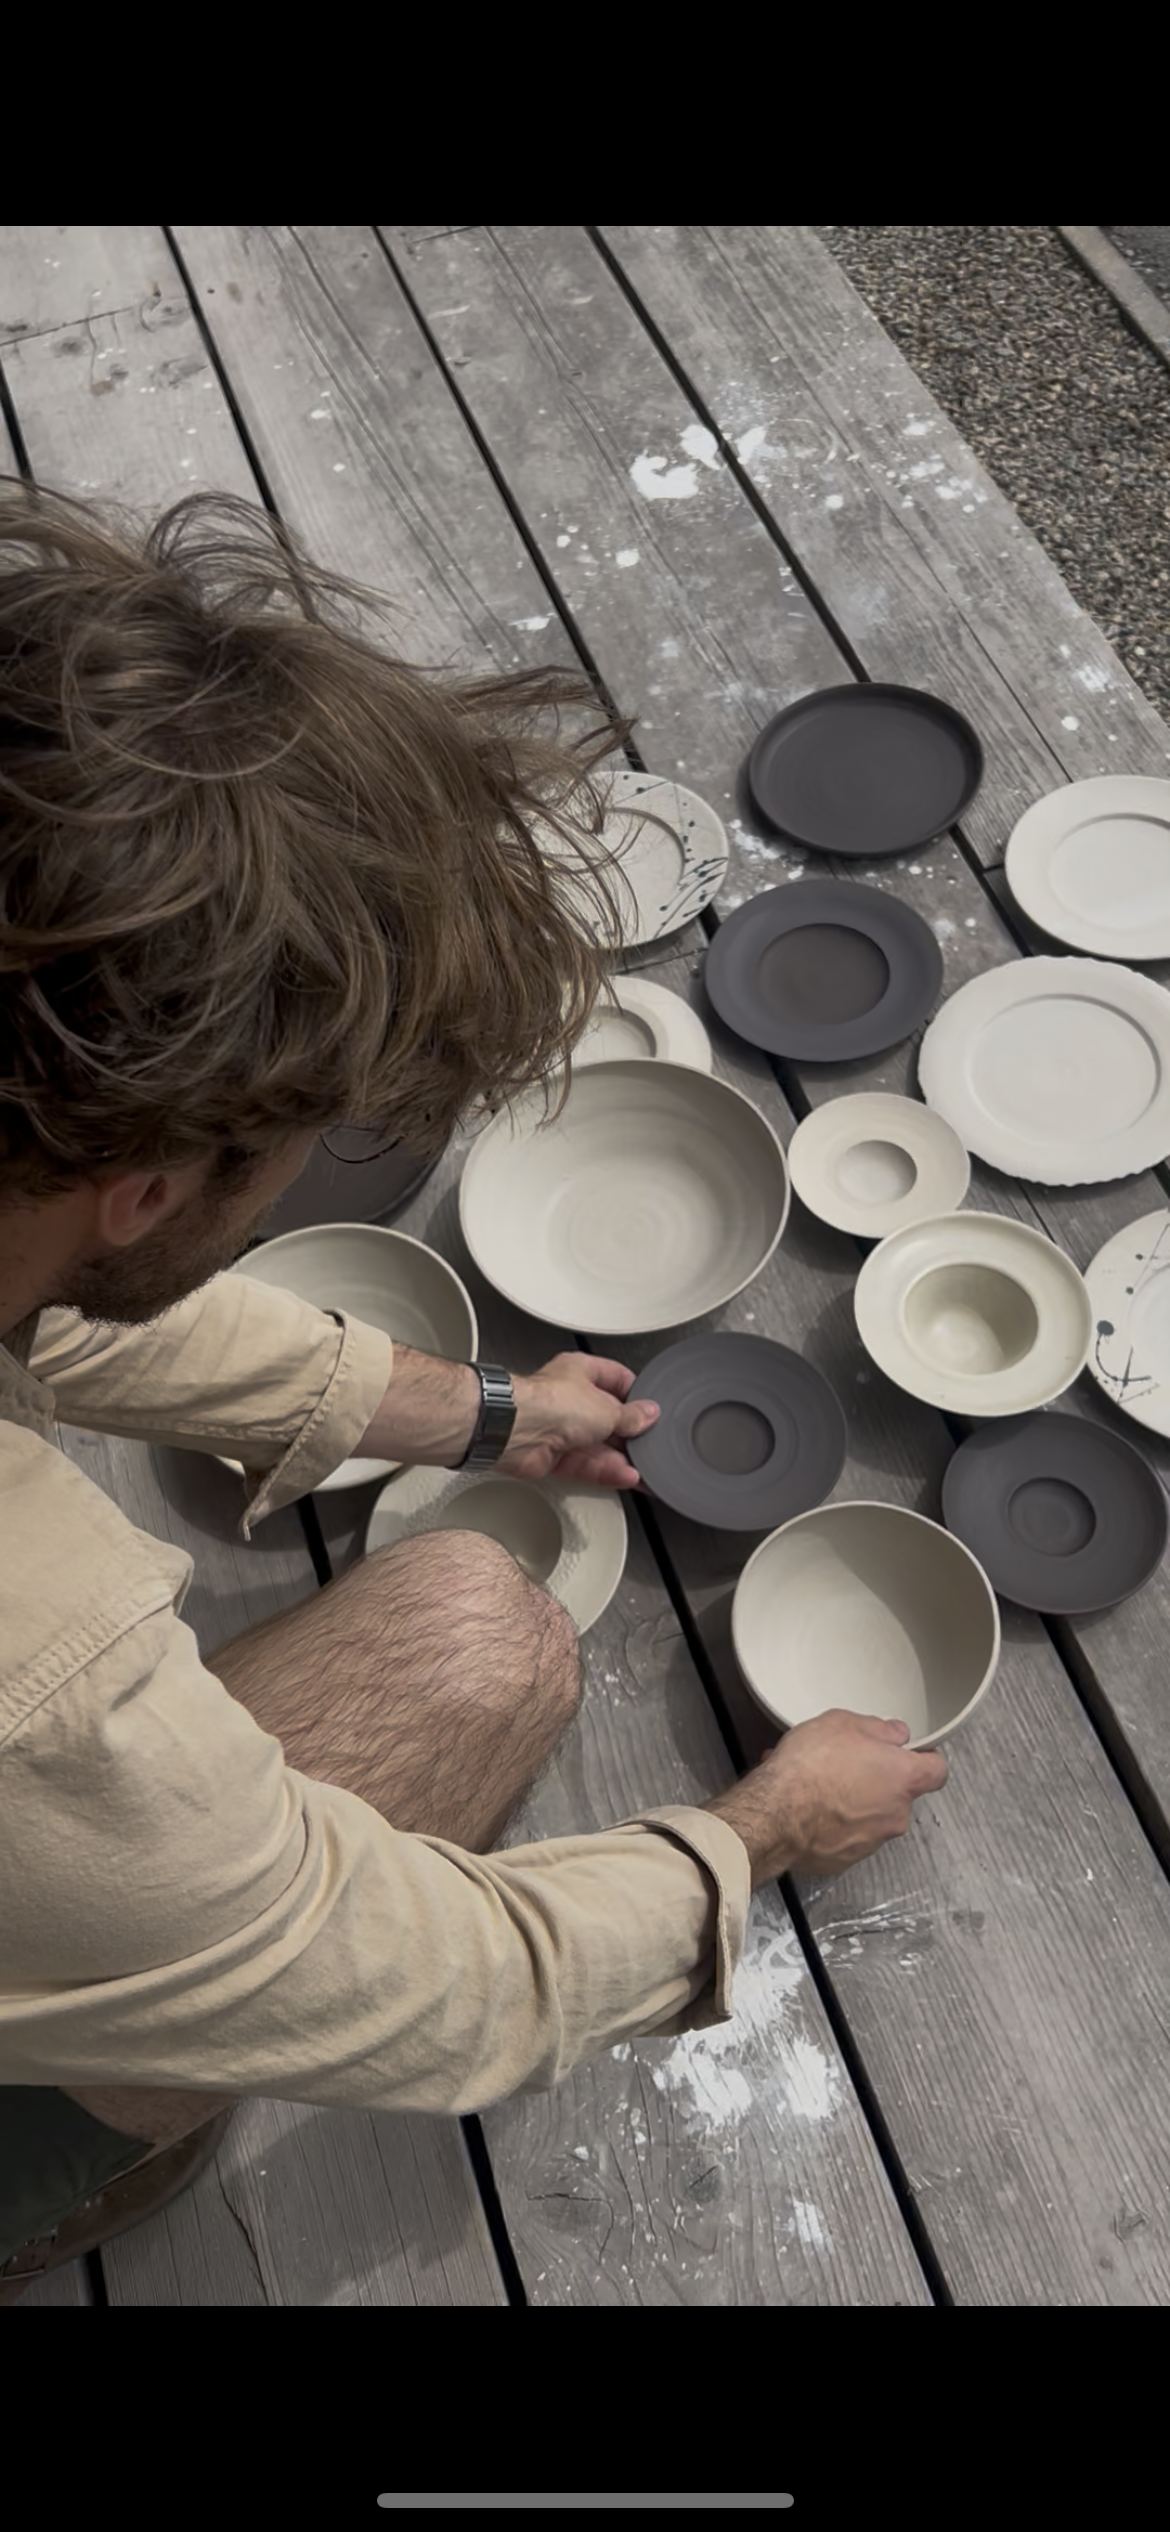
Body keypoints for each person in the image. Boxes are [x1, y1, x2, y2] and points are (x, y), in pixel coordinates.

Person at [0, 479, 947, 2300]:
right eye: (302, 1144)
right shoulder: (47, 1671)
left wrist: (480, 1415)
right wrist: (755, 1840)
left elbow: (69, 1308)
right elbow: (436, 1989)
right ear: (145, 1186)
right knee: (480, 1652)